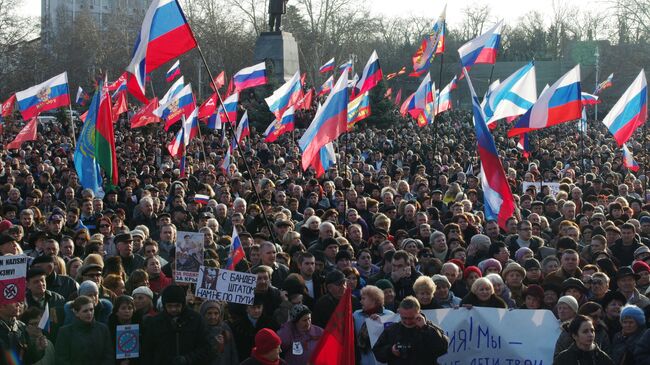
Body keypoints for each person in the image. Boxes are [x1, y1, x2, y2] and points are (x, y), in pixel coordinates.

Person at [141, 285, 213, 365]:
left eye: (177, 305)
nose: (173, 309)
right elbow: (148, 351)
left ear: (183, 304)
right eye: (169, 306)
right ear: (164, 305)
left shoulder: (196, 319)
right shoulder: (155, 322)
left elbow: (206, 347)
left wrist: (187, 359)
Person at [372, 296, 448, 364]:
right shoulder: (392, 330)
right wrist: (391, 350)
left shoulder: (429, 328)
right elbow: (377, 352)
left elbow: (443, 348)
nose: (407, 322)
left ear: (419, 313)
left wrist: (425, 328)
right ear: (399, 313)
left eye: (411, 318)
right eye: (404, 318)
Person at [55, 295, 113, 365]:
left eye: (91, 310)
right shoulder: (65, 332)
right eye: (85, 311)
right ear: (76, 313)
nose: (89, 313)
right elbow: (62, 359)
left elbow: (108, 356)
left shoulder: (103, 329)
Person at [353, 285, 394, 365]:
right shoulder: (356, 315)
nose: (361, 301)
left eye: (363, 298)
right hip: (363, 361)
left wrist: (380, 322)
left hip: (384, 362)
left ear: (374, 300)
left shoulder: (389, 315)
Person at [199, 301, 238, 365]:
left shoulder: (225, 328)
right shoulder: (199, 329)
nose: (213, 317)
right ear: (203, 314)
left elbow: (233, 351)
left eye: (216, 313)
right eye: (209, 313)